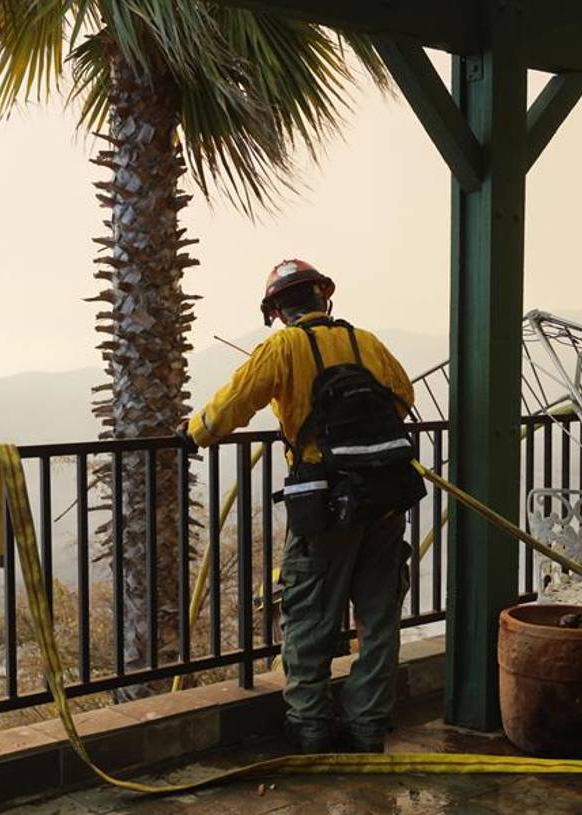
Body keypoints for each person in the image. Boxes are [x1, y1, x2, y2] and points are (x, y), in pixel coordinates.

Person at [178, 259, 415, 754]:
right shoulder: (365, 342)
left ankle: (310, 727)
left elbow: (229, 408)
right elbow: (402, 397)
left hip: (324, 502)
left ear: (277, 311)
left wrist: (193, 433)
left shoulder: (283, 347)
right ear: (323, 296)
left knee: (309, 617)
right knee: (379, 618)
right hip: (384, 495)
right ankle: (368, 726)